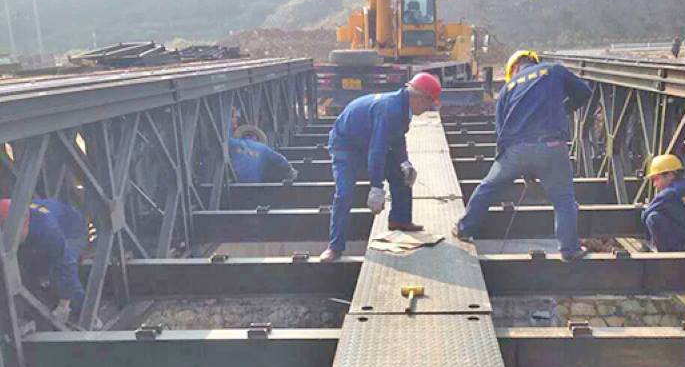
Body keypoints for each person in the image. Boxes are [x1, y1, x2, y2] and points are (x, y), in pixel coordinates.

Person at [453, 49, 592, 262]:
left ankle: (464, 229)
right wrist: (564, 109)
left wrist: (507, 163)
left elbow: (500, 132)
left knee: (487, 188)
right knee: (563, 200)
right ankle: (569, 249)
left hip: (516, 151)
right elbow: (584, 92)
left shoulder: (507, 89)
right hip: (552, 146)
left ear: (513, 69)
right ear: (533, 61)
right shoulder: (553, 70)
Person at [320, 72, 442, 262]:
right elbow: (377, 151)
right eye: (429, 103)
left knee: (402, 175)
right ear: (419, 97)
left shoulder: (402, 108)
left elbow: (397, 138)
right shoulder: (391, 110)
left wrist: (404, 162)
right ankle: (335, 247)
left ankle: (399, 219)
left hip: (367, 139)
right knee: (344, 193)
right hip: (346, 146)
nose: (428, 109)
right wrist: (376, 187)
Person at [0, 198, 88, 324]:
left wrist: (64, 305)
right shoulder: (13, 219)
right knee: (25, 266)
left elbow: (65, 265)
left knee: (59, 270)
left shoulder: (47, 228)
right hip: (46, 231)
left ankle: (83, 314)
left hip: (73, 231)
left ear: (25, 224)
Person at [229, 111, 298, 184]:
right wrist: (291, 170)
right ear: (256, 137)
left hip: (236, 183)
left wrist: (231, 121)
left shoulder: (235, 143)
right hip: (255, 185)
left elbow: (224, 139)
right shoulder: (263, 148)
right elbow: (280, 160)